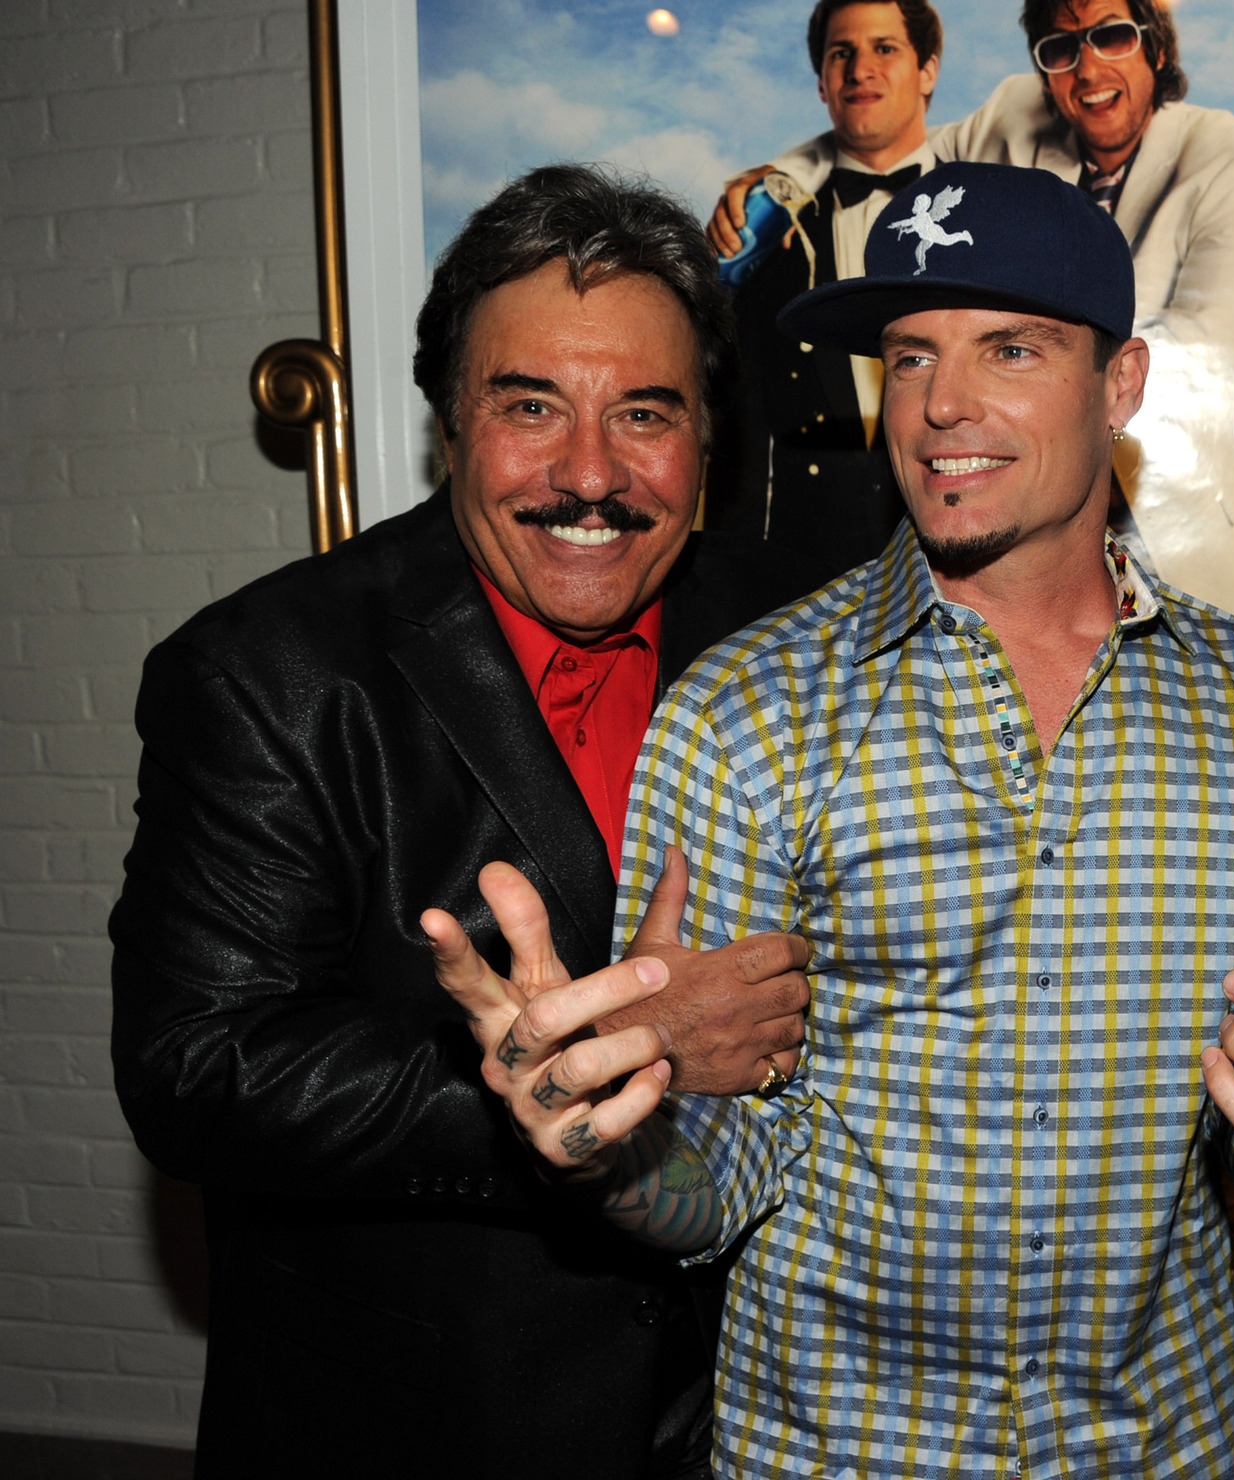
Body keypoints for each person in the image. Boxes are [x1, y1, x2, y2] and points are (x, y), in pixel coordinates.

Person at [430, 160, 1234, 1478]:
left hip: (1163, 1448)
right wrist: (607, 1153)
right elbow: (715, 1183)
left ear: (1120, 387)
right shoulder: (746, 712)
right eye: (908, 357)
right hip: (833, 1452)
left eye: (1008, 348)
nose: (943, 404)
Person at [107, 166, 825, 1477]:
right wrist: (611, 1049)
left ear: (710, 438)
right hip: (423, 1421)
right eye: (531, 405)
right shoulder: (271, 673)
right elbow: (198, 1071)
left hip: (769, 1418)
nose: (592, 472)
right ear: (451, 424)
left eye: (646, 413)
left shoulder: (797, 632)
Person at [713, 0, 1234, 649]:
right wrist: (786, 181)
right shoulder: (1014, 116)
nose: (1088, 66)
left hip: (1205, 566)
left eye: (1112, 37)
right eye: (1061, 48)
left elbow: (1201, 350)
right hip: (1019, 580)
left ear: (1156, 46)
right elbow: (882, 133)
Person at [707, 0, 942, 565]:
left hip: (960, 570)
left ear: (927, 69)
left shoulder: (983, 217)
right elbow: (740, 437)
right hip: (803, 578)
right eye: (843, 53)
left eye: (884, 48)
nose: (860, 69)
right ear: (822, 82)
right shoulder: (765, 232)